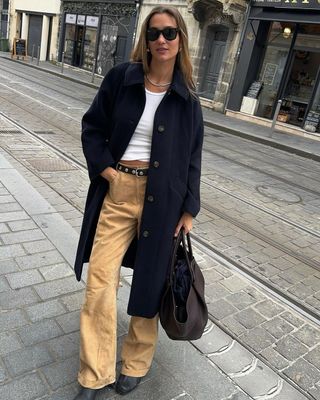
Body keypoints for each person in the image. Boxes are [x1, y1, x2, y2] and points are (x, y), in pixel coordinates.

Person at [73, 5, 204, 399]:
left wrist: (189, 209)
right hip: (120, 191)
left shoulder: (187, 100)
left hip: (163, 200)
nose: (161, 40)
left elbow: (193, 157)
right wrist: (107, 172)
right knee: (100, 282)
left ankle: (135, 363)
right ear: (144, 41)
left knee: (149, 284)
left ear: (180, 40)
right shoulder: (121, 79)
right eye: (153, 33)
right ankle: (94, 373)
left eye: (169, 33)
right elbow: (92, 127)